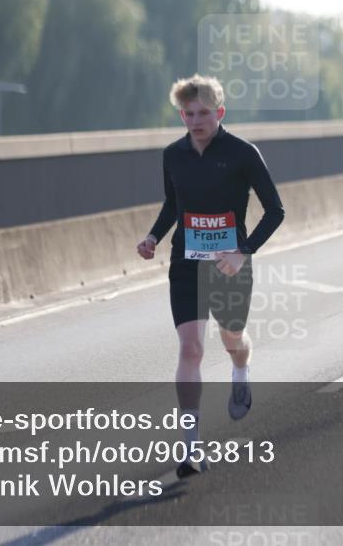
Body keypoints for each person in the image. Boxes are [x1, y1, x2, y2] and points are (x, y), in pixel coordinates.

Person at [136, 74, 284, 478]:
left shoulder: (243, 154)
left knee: (231, 338)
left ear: (219, 112)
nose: (195, 121)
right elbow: (173, 203)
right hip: (185, 262)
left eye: (203, 113)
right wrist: (153, 236)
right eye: (188, 114)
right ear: (181, 114)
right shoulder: (173, 155)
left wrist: (242, 252)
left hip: (228, 264)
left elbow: (276, 211)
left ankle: (241, 370)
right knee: (191, 350)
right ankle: (191, 449)